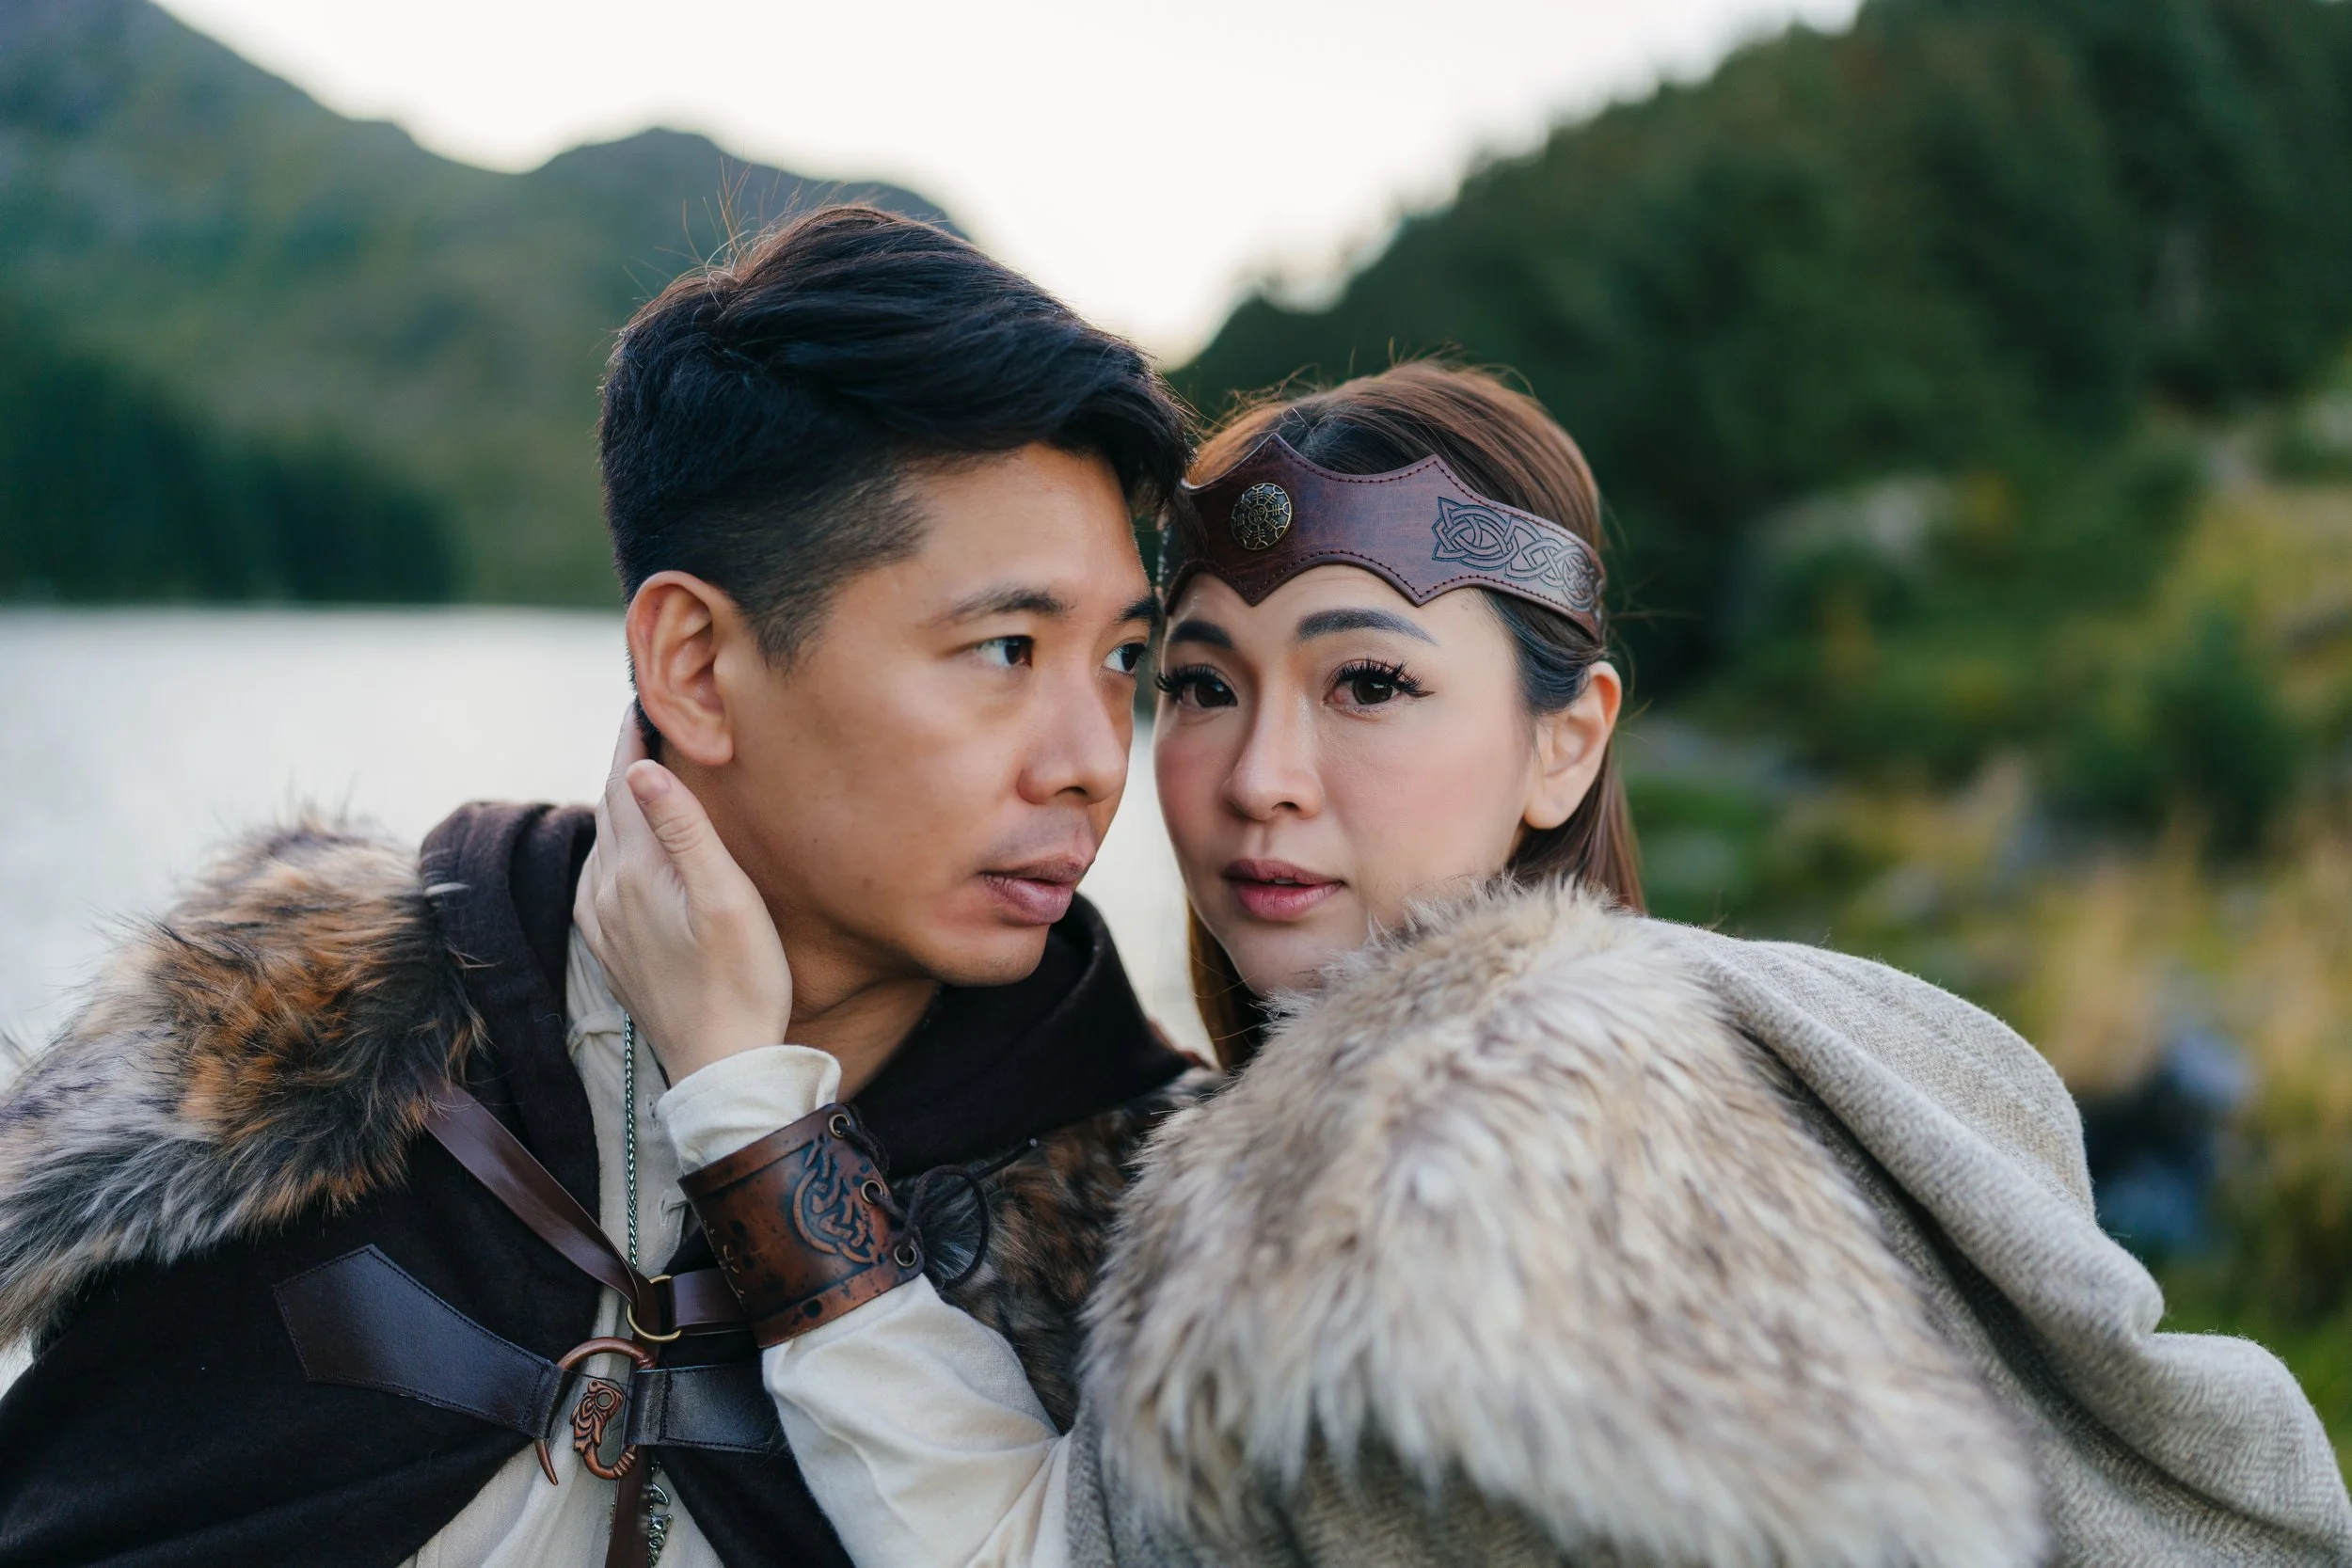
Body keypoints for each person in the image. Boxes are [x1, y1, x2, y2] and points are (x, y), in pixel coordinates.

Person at [584, 363, 2352, 1566]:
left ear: (1566, 742)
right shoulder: (1771, 1037)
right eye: (1196, 682)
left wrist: (750, 1103)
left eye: (1369, 684)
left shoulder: (1471, 1160)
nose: (1258, 773)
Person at [0, 206, 1210, 1568]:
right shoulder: (281, 1060)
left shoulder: (1160, 1230)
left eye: (1122, 659)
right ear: (694, 665)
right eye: (1004, 648)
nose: (1093, 760)